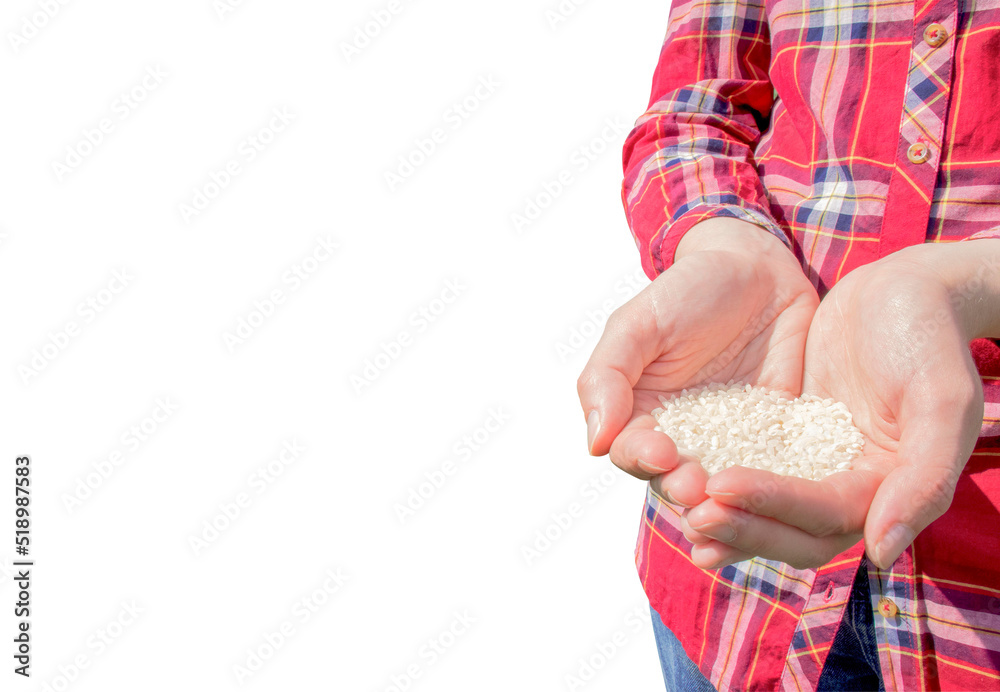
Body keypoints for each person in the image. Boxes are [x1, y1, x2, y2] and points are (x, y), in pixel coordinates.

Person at [576, 0, 1000, 688]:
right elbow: (692, 114)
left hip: (975, 620)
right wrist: (722, 240)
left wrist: (977, 285)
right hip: (736, 597)